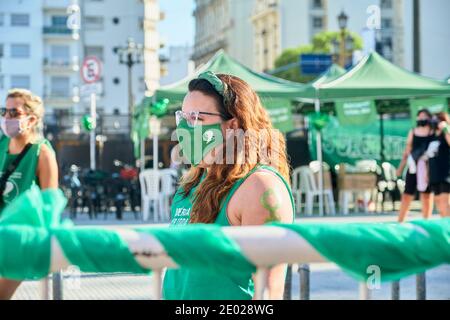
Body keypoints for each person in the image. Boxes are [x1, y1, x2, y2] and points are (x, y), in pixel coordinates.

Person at [162, 71, 294, 300]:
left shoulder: (259, 187)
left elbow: (267, 293)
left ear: (232, 124)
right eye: (182, 117)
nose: (185, 128)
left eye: (196, 118)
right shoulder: (196, 180)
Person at [0, 89, 59, 299]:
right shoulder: (1, 145)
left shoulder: (42, 153)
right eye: (4, 112)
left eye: (14, 113)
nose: (6, 118)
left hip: (20, 240)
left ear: (32, 119)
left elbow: (50, 207)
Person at [396, 109, 434, 222]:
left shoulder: (433, 132)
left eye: (424, 116)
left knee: (426, 195)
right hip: (413, 166)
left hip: (427, 166)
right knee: (407, 194)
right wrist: (400, 167)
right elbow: (407, 151)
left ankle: (426, 221)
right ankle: (400, 221)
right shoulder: (413, 131)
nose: (422, 119)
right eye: (420, 116)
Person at [426, 112, 450, 218]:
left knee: (445, 203)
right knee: (439, 205)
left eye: (438, 120)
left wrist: (446, 128)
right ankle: (445, 228)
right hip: (434, 174)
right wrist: (427, 173)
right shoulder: (432, 137)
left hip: (445, 173)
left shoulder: (446, 133)